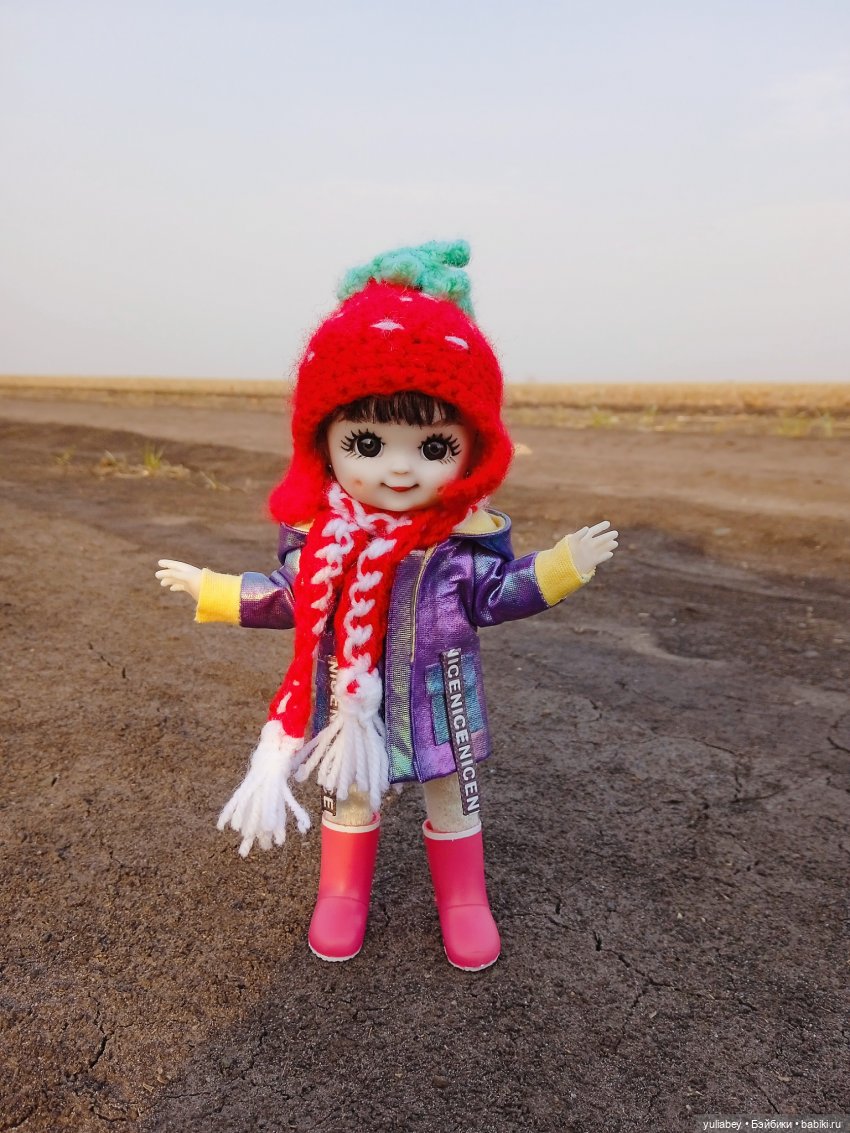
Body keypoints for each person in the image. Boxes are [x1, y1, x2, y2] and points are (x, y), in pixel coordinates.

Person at [156, 240, 618, 971]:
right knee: (350, 792)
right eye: (367, 442)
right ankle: (341, 892)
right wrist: (213, 588)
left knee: (453, 794)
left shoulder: (462, 542)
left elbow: (496, 595)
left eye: (433, 447)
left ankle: (464, 899)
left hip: (442, 702)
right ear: (324, 444)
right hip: (354, 708)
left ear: (471, 450)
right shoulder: (323, 542)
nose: (399, 467)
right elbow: (289, 599)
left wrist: (560, 567)